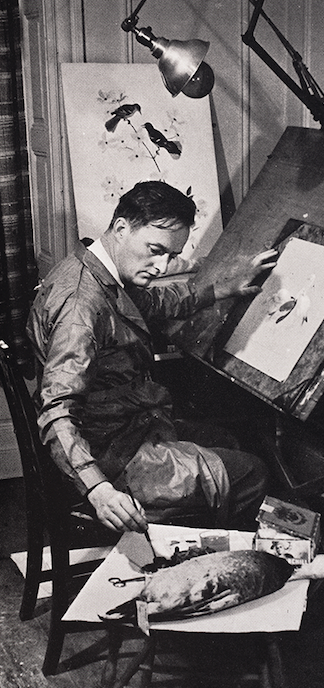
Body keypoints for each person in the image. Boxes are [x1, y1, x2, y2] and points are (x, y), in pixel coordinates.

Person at [26, 181, 278, 536]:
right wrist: (98, 490)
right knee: (252, 472)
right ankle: (202, 567)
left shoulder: (95, 270)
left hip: (125, 432)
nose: (162, 267)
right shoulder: (82, 305)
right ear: (121, 228)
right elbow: (56, 411)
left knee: (228, 439)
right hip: (109, 461)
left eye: (171, 256)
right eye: (155, 250)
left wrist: (222, 288)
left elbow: (153, 304)